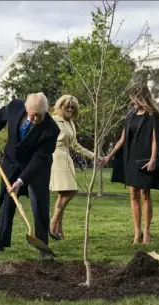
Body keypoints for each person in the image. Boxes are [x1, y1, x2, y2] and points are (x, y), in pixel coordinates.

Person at [0, 92, 60, 260]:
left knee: (40, 206)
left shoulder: (52, 129)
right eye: (33, 115)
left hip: (36, 169)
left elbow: (40, 158)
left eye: (40, 116)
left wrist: (21, 180)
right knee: (6, 204)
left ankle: (43, 249)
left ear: (46, 111)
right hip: (11, 163)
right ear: (26, 109)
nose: (36, 119)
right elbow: (0, 117)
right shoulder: (15, 106)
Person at [102, 83, 159, 245]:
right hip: (131, 159)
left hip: (145, 158)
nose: (132, 102)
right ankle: (136, 231)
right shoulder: (130, 115)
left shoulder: (153, 115)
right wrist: (108, 156)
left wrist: (153, 160)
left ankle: (146, 231)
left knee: (145, 194)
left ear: (141, 97)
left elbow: (155, 140)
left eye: (134, 98)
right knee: (133, 195)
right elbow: (122, 139)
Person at [49, 95, 98, 240]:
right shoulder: (54, 120)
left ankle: (58, 230)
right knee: (70, 192)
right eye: (67, 106)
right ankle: (52, 222)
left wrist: (93, 156)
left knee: (63, 194)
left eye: (72, 107)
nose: (70, 109)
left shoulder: (70, 123)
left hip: (67, 157)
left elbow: (75, 145)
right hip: (57, 157)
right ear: (60, 106)